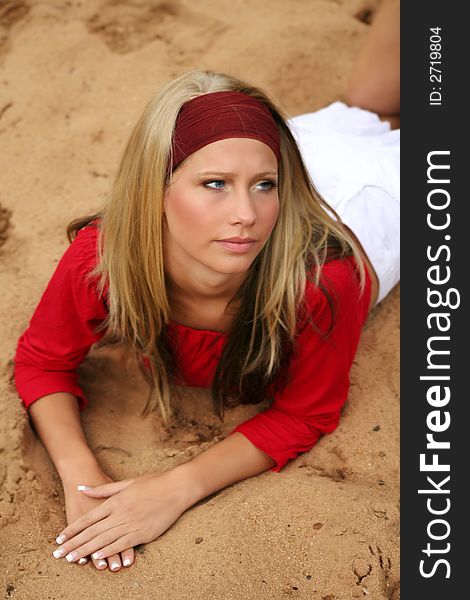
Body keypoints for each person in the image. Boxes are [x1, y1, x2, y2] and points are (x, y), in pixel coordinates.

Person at [13, 65, 399, 573]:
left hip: (384, 195)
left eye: (265, 187)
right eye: (214, 184)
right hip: (302, 147)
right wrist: (81, 476)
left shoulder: (320, 282)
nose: (245, 213)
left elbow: (306, 414)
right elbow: (42, 361)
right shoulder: (104, 256)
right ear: (157, 189)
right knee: (370, 101)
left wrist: (176, 487)